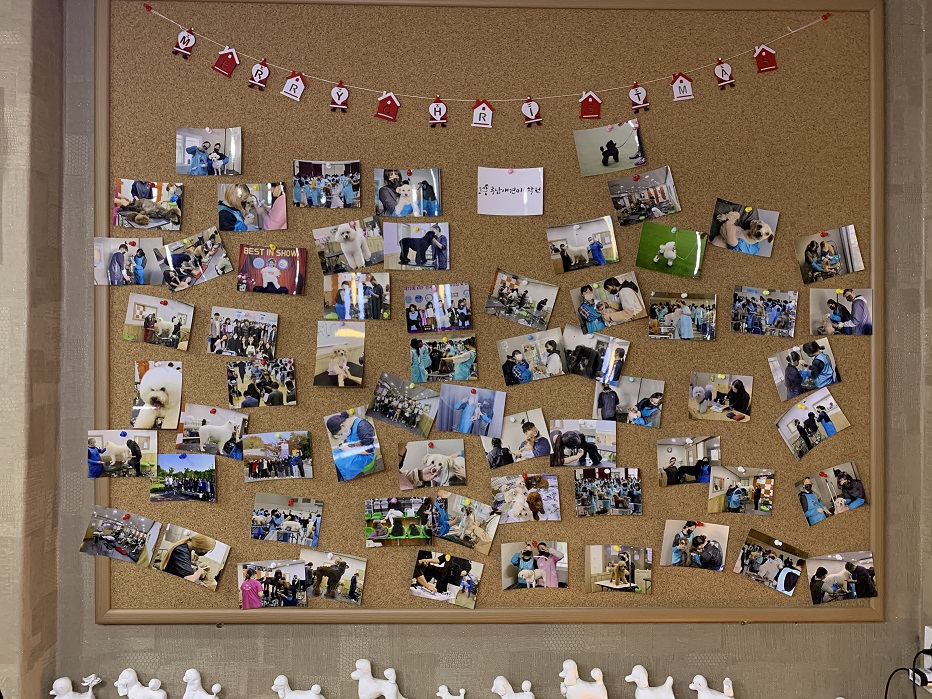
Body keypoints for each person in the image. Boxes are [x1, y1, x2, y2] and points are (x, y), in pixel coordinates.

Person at [326, 411, 378, 481]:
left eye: (340, 434)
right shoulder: (348, 424)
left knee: (343, 466)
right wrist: (344, 443)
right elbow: (353, 438)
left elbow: (369, 451)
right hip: (354, 449)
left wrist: (350, 449)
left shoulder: (363, 427)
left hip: (365, 455)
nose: (342, 435)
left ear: (342, 425)